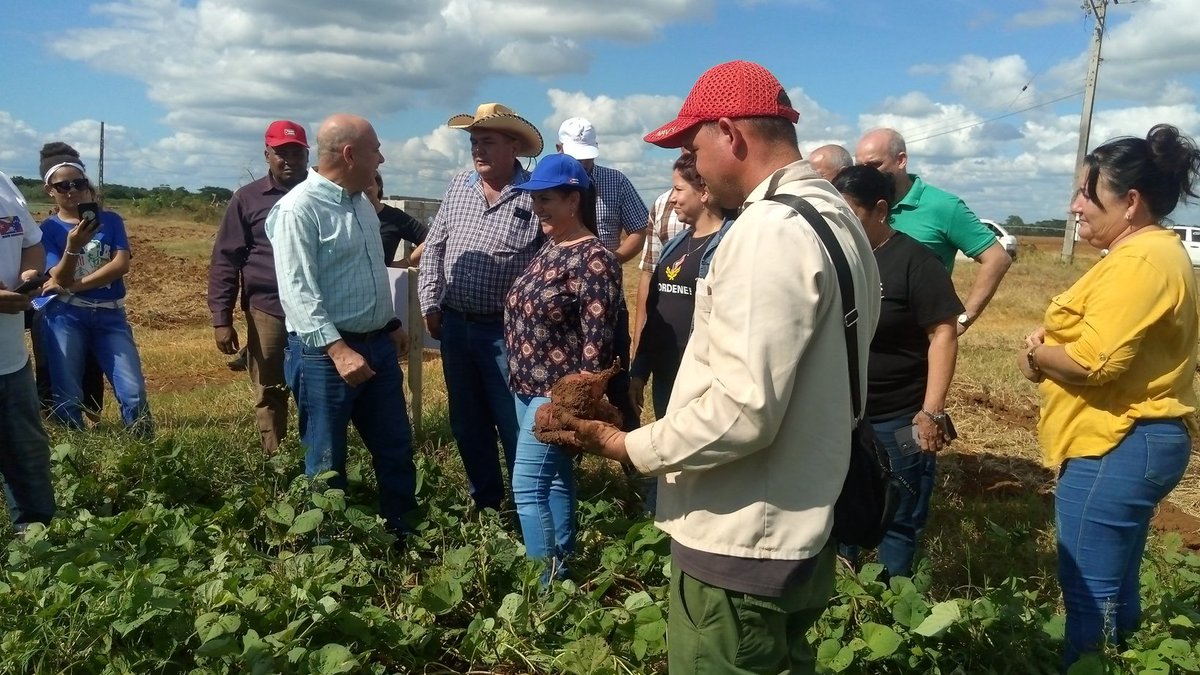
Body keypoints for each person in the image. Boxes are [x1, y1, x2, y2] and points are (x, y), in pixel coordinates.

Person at [557, 60, 880, 673]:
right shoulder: (835, 218)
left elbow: (741, 409)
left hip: (742, 537)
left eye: (692, 146)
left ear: (730, 135)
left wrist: (630, 446)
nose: (693, 166)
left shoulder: (768, 230)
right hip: (802, 518)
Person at [1016, 124, 1199, 668]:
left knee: (1087, 596)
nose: (1073, 206)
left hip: (1117, 441)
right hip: (1132, 439)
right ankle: (1128, 662)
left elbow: (1091, 362)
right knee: (1115, 587)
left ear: (1131, 201)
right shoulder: (1151, 255)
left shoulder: (1140, 262)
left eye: (1085, 194)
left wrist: (1034, 353)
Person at [266, 113, 418, 539]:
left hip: (376, 348)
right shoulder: (300, 209)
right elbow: (298, 292)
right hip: (325, 356)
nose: (381, 158)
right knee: (325, 457)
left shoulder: (362, 204)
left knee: (394, 446)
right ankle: (325, 553)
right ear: (350, 155)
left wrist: (389, 323)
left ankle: (402, 531)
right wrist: (338, 350)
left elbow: (367, 273)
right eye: (376, 150)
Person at [831, 165, 962, 578]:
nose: (842, 224)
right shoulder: (839, 259)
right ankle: (844, 597)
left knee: (900, 514)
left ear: (880, 210)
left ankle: (895, 604)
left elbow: (943, 334)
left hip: (900, 418)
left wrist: (931, 412)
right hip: (845, 416)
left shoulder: (915, 262)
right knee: (841, 509)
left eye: (850, 212)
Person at [418, 103, 545, 512]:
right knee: (467, 422)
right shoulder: (459, 186)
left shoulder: (534, 195)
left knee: (513, 423)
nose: (478, 150)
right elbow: (435, 244)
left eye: (487, 142)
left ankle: (526, 506)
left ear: (514, 147)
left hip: (507, 333)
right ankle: (486, 503)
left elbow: (549, 261)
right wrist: (430, 300)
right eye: (474, 142)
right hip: (456, 325)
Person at [504, 153, 621, 581]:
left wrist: (576, 408)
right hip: (523, 387)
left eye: (547, 199)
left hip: (554, 397)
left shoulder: (594, 259)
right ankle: (564, 568)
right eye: (535, 200)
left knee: (527, 487)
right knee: (552, 481)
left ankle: (543, 586)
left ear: (574, 200)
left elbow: (596, 344)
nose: (538, 209)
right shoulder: (550, 248)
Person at [37, 142, 154, 438]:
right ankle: (77, 456)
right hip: (66, 316)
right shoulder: (48, 230)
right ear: (49, 190)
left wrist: (76, 285)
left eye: (78, 183)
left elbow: (120, 264)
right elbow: (57, 276)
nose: (72, 190)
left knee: (133, 391)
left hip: (109, 316)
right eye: (63, 186)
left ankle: (143, 452)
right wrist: (73, 248)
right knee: (67, 392)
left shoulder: (110, 221)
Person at [207, 119, 310, 453]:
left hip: (316, 308)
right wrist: (221, 318)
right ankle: (275, 459)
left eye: (297, 152)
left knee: (316, 387)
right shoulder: (247, 199)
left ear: (307, 155)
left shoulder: (320, 194)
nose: (289, 160)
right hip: (269, 309)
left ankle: (318, 461)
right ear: (267, 154)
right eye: (282, 152)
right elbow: (226, 259)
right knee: (270, 388)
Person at [855, 128, 1011, 335]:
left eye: (875, 165)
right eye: (860, 167)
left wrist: (964, 319)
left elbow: (997, 258)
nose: (867, 174)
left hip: (915, 342)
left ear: (901, 160)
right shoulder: (859, 205)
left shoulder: (943, 206)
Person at [556, 117, 648, 433]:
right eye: (575, 158)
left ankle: (632, 462)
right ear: (558, 150)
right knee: (567, 386)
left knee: (617, 382)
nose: (582, 164)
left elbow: (639, 227)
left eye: (587, 158)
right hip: (562, 306)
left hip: (608, 304)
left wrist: (613, 260)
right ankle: (571, 459)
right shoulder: (548, 186)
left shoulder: (615, 182)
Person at [630, 152, 733, 421]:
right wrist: (640, 369)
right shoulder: (675, 245)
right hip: (666, 376)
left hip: (701, 382)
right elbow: (655, 314)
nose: (672, 198)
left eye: (678, 189)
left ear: (704, 192)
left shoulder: (729, 244)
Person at [0, 169, 56, 533]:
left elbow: (30, 242)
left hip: (10, 360)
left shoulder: (3, 182)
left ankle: (36, 543)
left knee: (28, 454)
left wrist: (29, 274)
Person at [631, 187, 684, 358]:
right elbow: (648, 273)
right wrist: (638, 342)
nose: (674, 199)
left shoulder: (730, 203)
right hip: (667, 341)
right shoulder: (662, 204)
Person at [366, 172, 426, 267]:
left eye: (368, 182)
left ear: (379, 186)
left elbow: (429, 240)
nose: (364, 187)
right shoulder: (345, 214)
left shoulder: (394, 217)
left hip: (384, 279)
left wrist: (406, 262)